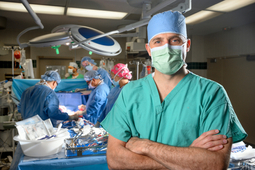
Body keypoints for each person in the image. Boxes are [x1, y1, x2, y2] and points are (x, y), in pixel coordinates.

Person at [101, 11, 247, 169]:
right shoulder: (130, 92)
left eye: (175, 40)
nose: (167, 47)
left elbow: (215, 165)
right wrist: (189, 157)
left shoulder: (212, 93)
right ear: (149, 49)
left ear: (187, 45)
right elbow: (115, 160)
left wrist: (146, 146)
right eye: (158, 41)